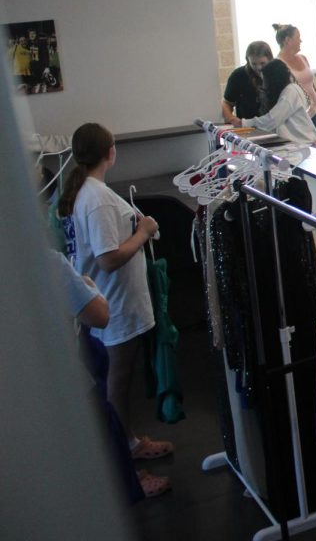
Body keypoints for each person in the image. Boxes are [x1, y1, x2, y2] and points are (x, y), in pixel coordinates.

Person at [56, 123, 174, 466]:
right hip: (116, 309)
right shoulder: (96, 199)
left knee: (119, 385)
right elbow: (108, 259)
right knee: (116, 387)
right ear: (111, 152)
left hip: (117, 305)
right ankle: (125, 456)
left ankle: (129, 443)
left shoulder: (93, 193)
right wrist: (145, 231)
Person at [50, 250, 169, 499]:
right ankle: (124, 482)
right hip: (71, 370)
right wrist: (91, 289)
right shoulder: (47, 260)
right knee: (105, 417)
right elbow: (99, 314)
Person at [240, 59, 316, 146]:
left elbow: (272, 120)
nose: (264, 85)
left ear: (273, 80)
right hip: (296, 144)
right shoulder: (288, 90)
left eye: (265, 81)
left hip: (301, 144)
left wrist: (244, 123)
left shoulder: (290, 92)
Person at [273, 23, 316, 149]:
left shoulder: (303, 58)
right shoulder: (278, 65)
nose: (301, 40)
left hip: (313, 113)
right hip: (297, 119)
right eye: (298, 37)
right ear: (288, 40)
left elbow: (312, 86)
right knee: (306, 153)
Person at [221, 41, 273, 123]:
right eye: (254, 64)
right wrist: (231, 119)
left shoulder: (277, 73)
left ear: (270, 59)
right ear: (248, 61)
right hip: (247, 127)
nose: (259, 68)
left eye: (263, 63)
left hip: (273, 126)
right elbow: (227, 103)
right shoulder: (238, 75)